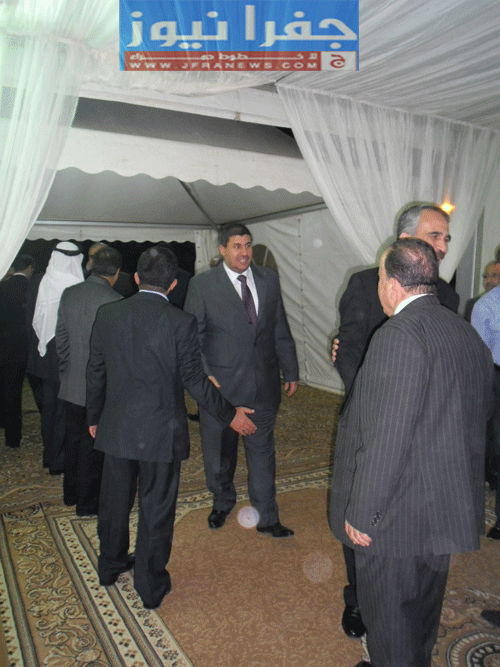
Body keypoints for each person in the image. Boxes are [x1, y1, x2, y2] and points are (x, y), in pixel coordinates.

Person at [329, 238, 493, 667]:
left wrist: (362, 513)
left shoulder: (398, 335)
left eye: (380, 279)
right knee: (421, 616)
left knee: (390, 624)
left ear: (393, 284)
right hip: (442, 507)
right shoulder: (464, 331)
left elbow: (386, 436)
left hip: (396, 517)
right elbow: (478, 414)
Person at [86, 246, 256, 610]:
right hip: (161, 432)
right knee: (156, 509)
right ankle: (150, 586)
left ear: (136, 278)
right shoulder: (180, 322)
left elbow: (95, 370)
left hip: (116, 427)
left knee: (113, 502)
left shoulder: (108, 314)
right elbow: (195, 381)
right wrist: (230, 415)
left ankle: (110, 566)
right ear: (174, 284)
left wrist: (94, 418)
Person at [331, 201, 459, 639]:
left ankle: (404, 601)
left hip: (427, 430)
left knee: (409, 516)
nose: (444, 245)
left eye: (446, 237)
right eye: (435, 236)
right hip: (373, 423)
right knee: (359, 511)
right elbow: (348, 352)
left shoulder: (448, 295)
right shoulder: (366, 283)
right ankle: (357, 599)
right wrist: (379, 409)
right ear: (406, 239)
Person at [184, 223, 299, 537]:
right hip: (221, 389)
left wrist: (290, 368)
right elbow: (193, 338)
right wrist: (205, 374)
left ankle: (267, 517)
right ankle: (222, 501)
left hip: (263, 384)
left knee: (262, 452)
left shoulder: (268, 279)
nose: (244, 252)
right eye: (237, 246)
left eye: (248, 245)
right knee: (220, 455)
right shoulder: (202, 285)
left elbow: (279, 326)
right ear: (222, 250)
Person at [56, 246, 123, 516]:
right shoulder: (116, 300)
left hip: (71, 382)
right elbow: (115, 353)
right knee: (93, 447)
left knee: (73, 440)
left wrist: (67, 371)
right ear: (117, 272)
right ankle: (87, 503)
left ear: (91, 267)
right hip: (100, 388)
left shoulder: (69, 293)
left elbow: (61, 340)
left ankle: (70, 494)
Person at [26, 241, 84, 474]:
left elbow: (29, 318)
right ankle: (58, 460)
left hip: (42, 356)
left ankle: (50, 456)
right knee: (63, 411)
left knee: (49, 408)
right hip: (67, 355)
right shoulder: (78, 284)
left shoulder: (37, 281)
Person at [471, 259, 500, 538]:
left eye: (495, 275)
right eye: (487, 275)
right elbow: (481, 355)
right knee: (495, 449)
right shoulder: (484, 307)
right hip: (495, 379)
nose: (490, 279)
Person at [0, 253, 35, 448]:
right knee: (31, 392)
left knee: (9, 390)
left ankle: (10, 434)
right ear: (29, 267)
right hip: (28, 347)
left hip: (6, 346)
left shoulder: (2, 287)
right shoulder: (32, 288)